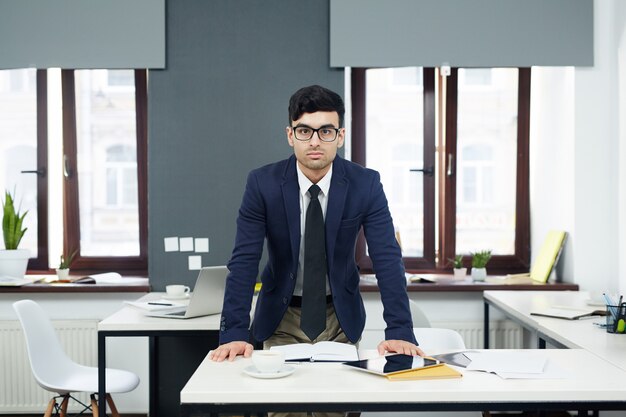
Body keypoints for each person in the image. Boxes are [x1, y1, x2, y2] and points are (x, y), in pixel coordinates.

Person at [210, 85, 423, 364]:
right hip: (280, 318)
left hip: (339, 318)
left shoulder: (365, 184)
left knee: (336, 403)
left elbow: (387, 258)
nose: (314, 141)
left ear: (340, 136)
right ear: (290, 135)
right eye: (304, 131)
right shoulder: (263, 184)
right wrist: (234, 332)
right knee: (283, 404)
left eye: (326, 131)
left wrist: (400, 329)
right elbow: (244, 261)